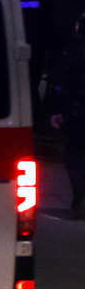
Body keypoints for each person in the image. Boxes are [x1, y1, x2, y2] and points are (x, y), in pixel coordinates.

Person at [46, 13, 85, 220]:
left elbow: (62, 83)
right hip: (77, 110)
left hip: (78, 112)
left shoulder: (73, 52)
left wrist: (57, 110)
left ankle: (79, 197)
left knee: (74, 155)